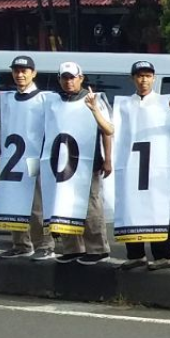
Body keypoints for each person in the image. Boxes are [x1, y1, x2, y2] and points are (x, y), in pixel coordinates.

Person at [49, 62, 114, 265]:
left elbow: (107, 130)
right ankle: (72, 248)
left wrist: (108, 159)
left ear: (81, 78)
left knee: (91, 207)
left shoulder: (93, 99)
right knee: (64, 205)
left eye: (72, 77)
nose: (69, 82)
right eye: (65, 78)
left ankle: (97, 248)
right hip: (62, 164)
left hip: (89, 161)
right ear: (59, 79)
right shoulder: (54, 101)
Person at [115, 60, 170, 271]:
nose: (144, 80)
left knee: (156, 207)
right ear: (133, 78)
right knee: (132, 206)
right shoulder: (124, 105)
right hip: (132, 165)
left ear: (154, 78)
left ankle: (163, 254)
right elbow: (112, 131)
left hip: (156, 165)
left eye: (148, 75)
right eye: (140, 76)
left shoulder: (164, 103)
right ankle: (136, 254)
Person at [0, 55, 54, 260]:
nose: (20, 75)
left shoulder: (45, 98)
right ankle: (20, 244)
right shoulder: (6, 98)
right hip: (12, 159)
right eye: (16, 71)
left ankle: (44, 244)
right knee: (14, 201)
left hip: (34, 159)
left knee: (37, 206)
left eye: (24, 71)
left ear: (33, 73)